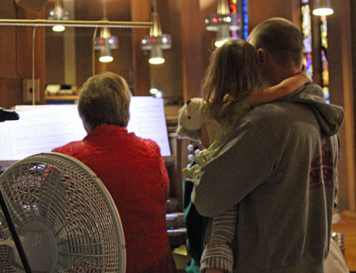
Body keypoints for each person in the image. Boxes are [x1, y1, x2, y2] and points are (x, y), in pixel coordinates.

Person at [191, 17, 344, 273]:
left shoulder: (266, 123)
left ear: (260, 58)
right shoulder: (326, 123)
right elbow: (331, 200)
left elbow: (207, 196)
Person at [176, 39, 310, 273]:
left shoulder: (208, 107)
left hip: (202, 174)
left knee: (212, 234)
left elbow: (206, 144)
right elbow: (282, 90)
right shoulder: (247, 102)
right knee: (223, 233)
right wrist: (302, 78)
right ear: (252, 69)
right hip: (230, 172)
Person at [52, 72, 176, 273]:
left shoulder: (64, 159)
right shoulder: (151, 152)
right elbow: (164, 195)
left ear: (84, 117)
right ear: (126, 112)